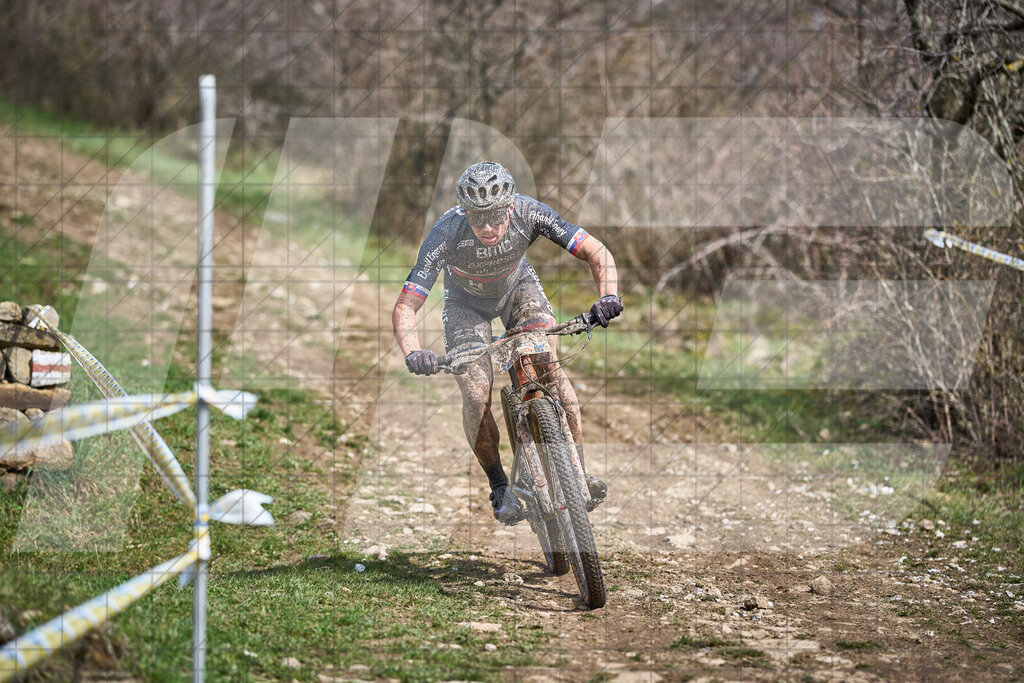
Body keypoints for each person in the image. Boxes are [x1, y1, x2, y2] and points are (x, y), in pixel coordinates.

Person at [392, 161, 622, 524]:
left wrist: (608, 296)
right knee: (475, 392)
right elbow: (407, 305)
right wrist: (413, 352)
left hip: (519, 289)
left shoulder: (531, 212)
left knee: (549, 370)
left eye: (496, 216)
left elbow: (596, 251)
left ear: (511, 206)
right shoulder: (446, 232)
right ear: (464, 212)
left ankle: (578, 470)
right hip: (465, 306)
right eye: (477, 217)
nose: (488, 227)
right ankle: (500, 485)